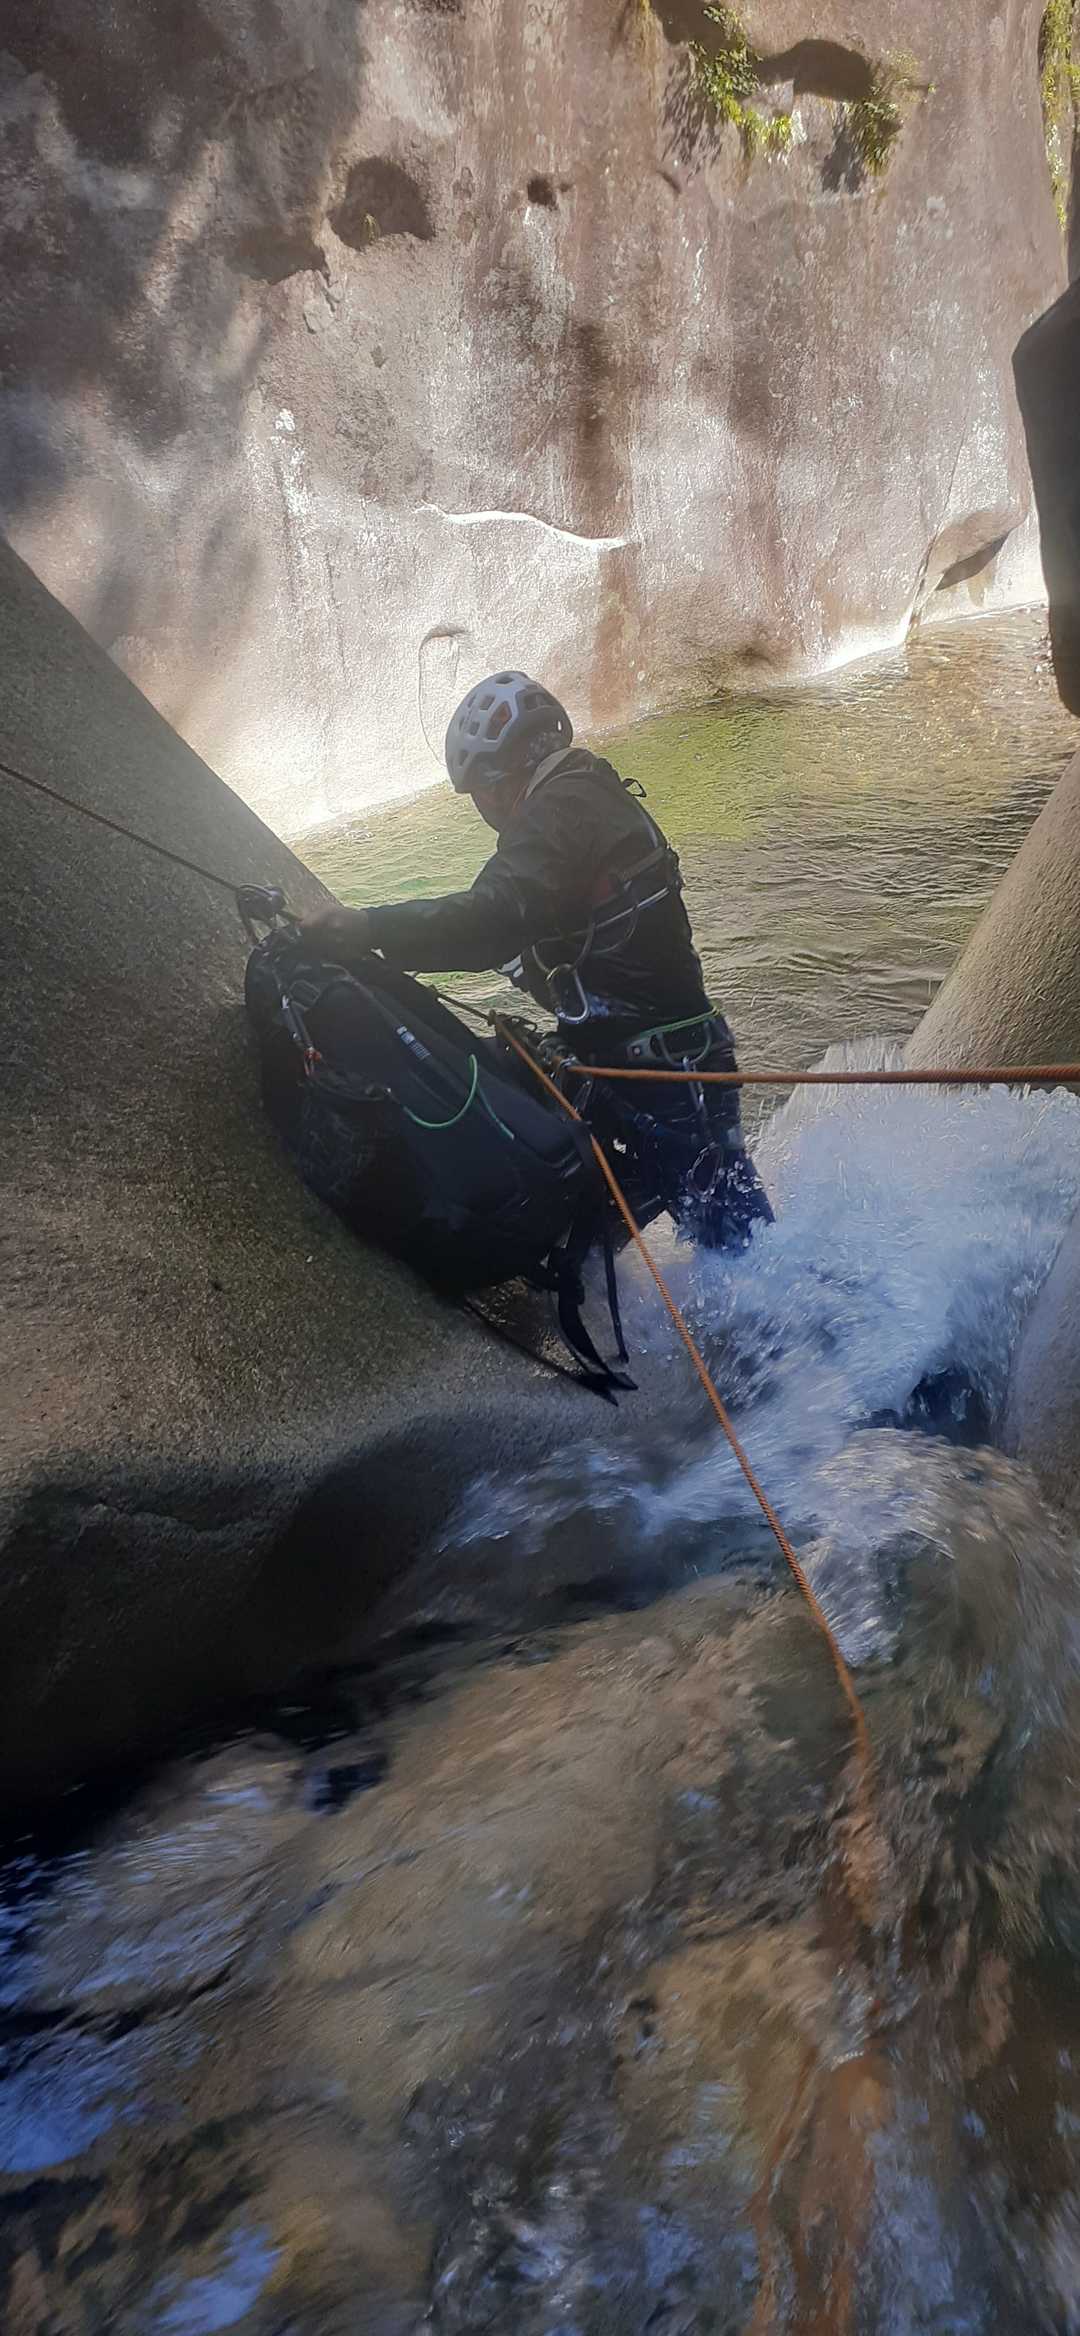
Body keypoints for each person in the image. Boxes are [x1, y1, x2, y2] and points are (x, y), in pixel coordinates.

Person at [302, 671, 772, 1249]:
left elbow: (490, 919)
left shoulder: (557, 812)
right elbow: (567, 941)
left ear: (494, 780)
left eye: (476, 794)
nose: (484, 808)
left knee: (739, 1249)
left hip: (659, 1079)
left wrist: (370, 927)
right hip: (661, 1064)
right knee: (711, 1240)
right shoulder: (591, 792)